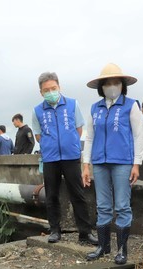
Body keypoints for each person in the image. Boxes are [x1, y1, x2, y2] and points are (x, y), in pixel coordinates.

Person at [82, 63, 143, 264]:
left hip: (123, 162)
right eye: (107, 83)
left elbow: (137, 136)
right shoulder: (95, 108)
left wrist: (136, 164)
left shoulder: (131, 105)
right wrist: (86, 164)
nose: (112, 86)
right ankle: (103, 246)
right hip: (99, 162)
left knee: (123, 205)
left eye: (116, 82)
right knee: (103, 205)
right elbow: (89, 138)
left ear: (122, 85)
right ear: (101, 87)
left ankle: (122, 250)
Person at [31, 72, 98, 245]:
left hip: (70, 156)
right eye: (46, 90)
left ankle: (85, 232)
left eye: (53, 88)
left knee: (78, 194)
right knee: (51, 195)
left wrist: (69, 144)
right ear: (41, 92)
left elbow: (78, 130)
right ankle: (54, 230)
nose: (51, 92)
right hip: (50, 158)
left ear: (59, 87)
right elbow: (38, 135)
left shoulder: (72, 104)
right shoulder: (37, 110)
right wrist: (51, 145)